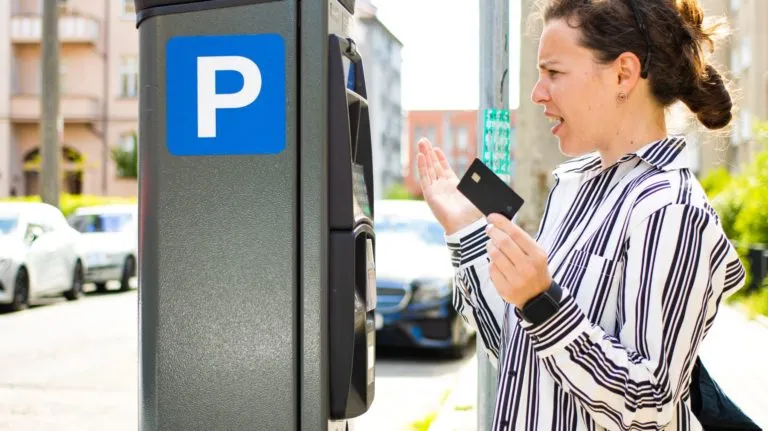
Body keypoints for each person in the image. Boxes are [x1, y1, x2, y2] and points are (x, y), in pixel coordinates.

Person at [416, 0, 746, 430]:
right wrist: (466, 233)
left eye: (553, 72)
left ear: (623, 75)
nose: (537, 93)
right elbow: (524, 357)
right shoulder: (573, 191)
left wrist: (541, 302)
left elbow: (650, 404)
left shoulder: (669, 207)